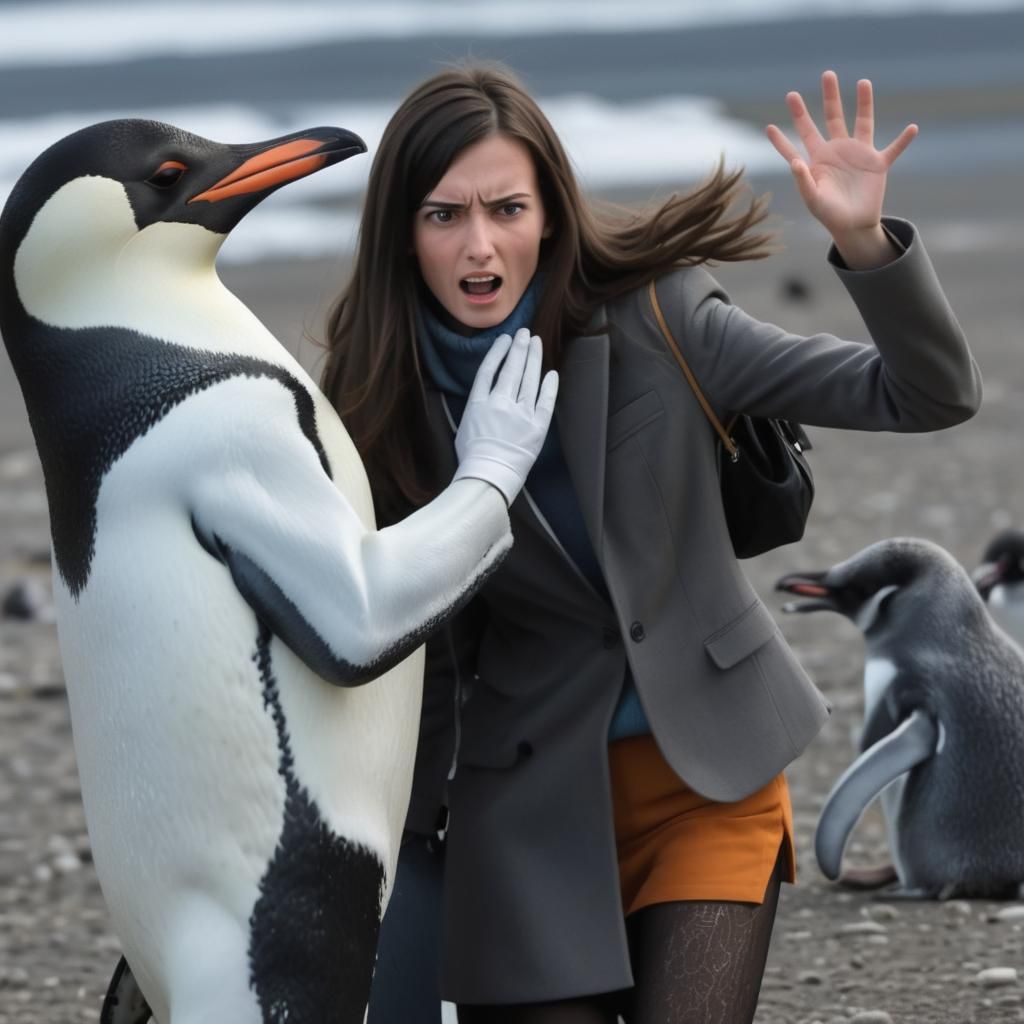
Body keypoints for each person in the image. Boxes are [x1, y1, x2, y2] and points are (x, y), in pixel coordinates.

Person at [321, 62, 981, 1024]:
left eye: (507, 208)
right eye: (443, 215)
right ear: (401, 232)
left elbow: (926, 393)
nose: (479, 245)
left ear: (550, 213)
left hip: (709, 773)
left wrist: (864, 243)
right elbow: (380, 630)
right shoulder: (372, 405)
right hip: (523, 809)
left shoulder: (661, 317)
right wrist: (395, 843)